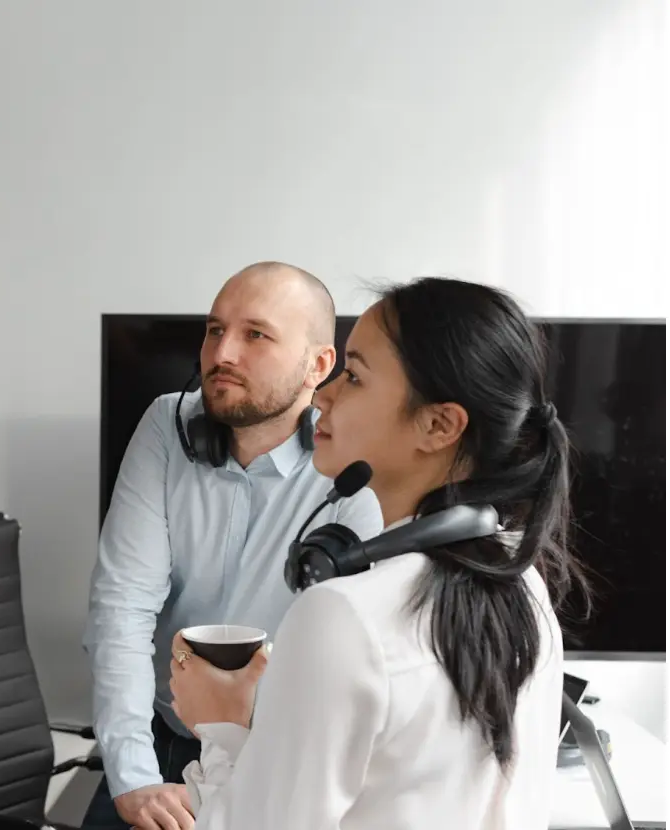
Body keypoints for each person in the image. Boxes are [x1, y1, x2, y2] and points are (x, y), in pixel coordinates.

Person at [168, 277, 588, 829]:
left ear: (438, 425)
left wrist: (220, 727)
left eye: (356, 376)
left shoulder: (344, 616)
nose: (323, 396)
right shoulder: (524, 584)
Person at [82, 262, 385, 830]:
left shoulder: (356, 462)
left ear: (319, 366)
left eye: (256, 335)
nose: (222, 353)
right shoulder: (165, 425)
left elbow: (363, 655)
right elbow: (121, 607)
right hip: (162, 745)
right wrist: (134, 777)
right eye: (215, 330)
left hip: (285, 755)